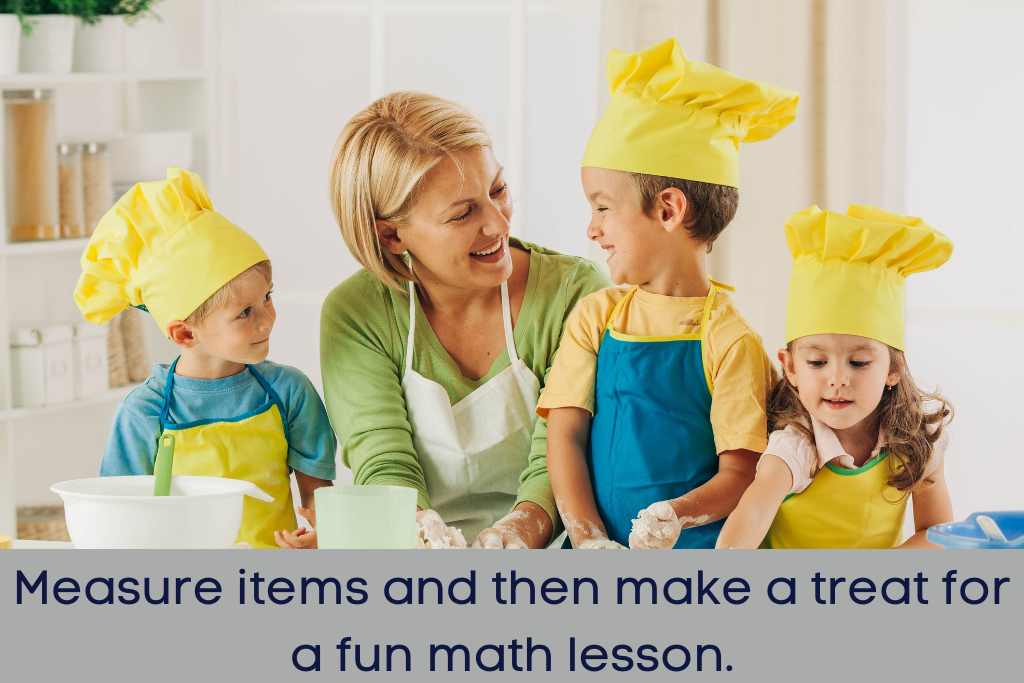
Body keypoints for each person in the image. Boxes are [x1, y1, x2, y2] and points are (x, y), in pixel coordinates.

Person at [279, 92, 609, 549]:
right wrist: (426, 538)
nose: (496, 225)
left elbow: (563, 449)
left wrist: (518, 533)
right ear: (391, 235)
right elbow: (382, 458)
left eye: (497, 191)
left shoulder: (575, 293)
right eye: (462, 213)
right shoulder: (357, 313)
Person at [538, 37, 798, 549]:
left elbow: (741, 474)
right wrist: (588, 539)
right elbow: (564, 436)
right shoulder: (597, 317)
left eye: (603, 207)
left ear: (668, 209)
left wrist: (671, 518)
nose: (591, 228)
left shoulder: (729, 339)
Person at [75, 168, 336, 549]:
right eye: (244, 312)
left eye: (267, 297)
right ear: (184, 333)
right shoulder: (145, 412)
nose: (267, 318)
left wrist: (319, 535)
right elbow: (119, 518)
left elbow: (319, 501)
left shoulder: (289, 392)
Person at [716, 205, 954, 548]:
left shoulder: (918, 442)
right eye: (817, 362)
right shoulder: (795, 446)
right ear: (792, 367)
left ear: (893, 370)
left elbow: (937, 535)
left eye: (858, 363)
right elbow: (749, 519)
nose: (838, 379)